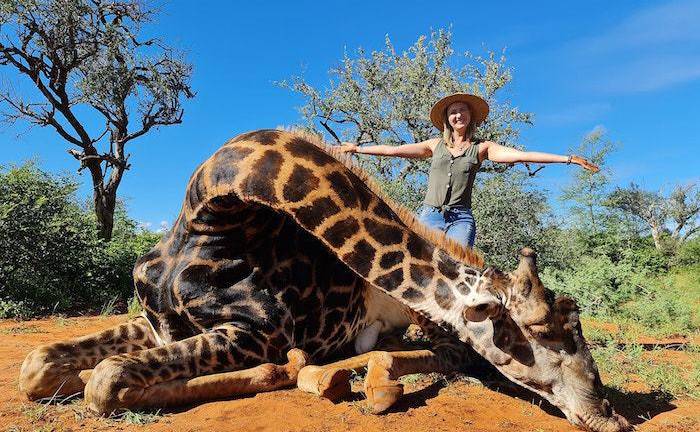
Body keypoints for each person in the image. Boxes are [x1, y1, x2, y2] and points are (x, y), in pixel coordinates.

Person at [339, 93, 599, 248]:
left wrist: (567, 158)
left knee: (459, 264)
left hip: (461, 218)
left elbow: (521, 156)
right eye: (453, 112)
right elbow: (394, 150)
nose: (458, 115)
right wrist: (357, 149)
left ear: (470, 116)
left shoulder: (483, 148)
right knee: (420, 261)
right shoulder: (434, 145)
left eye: (462, 110)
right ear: (447, 119)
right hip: (430, 215)